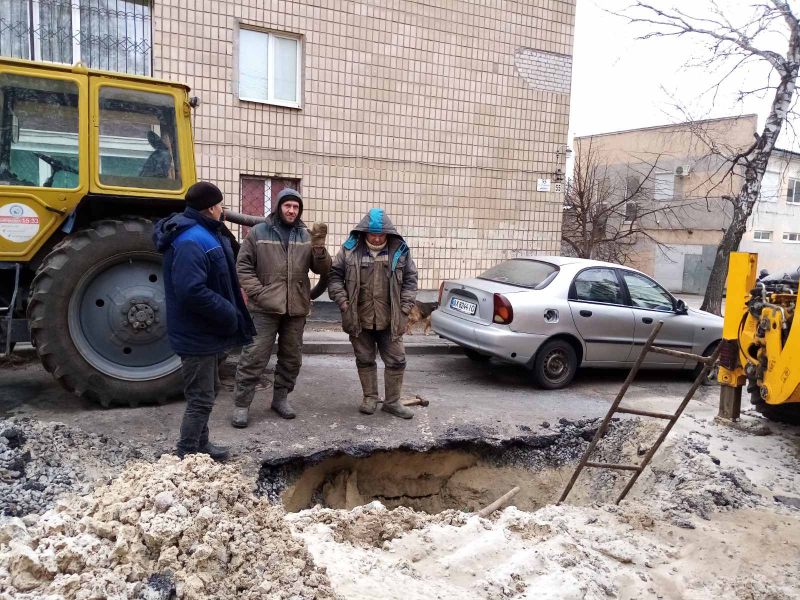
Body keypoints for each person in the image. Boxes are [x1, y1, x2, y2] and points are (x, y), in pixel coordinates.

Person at [153, 181, 256, 460]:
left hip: (204, 332)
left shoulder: (201, 232)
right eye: (220, 204)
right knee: (200, 399)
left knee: (209, 392)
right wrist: (228, 312)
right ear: (211, 207)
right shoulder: (191, 240)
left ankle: (201, 445)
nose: (223, 209)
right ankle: (185, 456)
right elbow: (191, 291)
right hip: (196, 333)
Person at [231, 188, 331, 426]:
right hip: (264, 308)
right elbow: (243, 266)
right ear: (278, 207)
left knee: (291, 358)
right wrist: (258, 292)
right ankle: (241, 405)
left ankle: (280, 399)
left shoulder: (306, 235)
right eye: (287, 206)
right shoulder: (258, 232)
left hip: (295, 309)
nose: (291, 210)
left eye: (296, 207)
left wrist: (318, 248)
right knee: (254, 357)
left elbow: (322, 269)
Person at [327, 208, 418, 419]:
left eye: (381, 234)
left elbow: (411, 281)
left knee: (396, 360)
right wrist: (342, 302)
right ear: (364, 232)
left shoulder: (400, 251)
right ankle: (370, 397)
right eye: (372, 234)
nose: (377, 238)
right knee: (365, 359)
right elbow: (334, 277)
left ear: (388, 233)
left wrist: (405, 309)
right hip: (359, 317)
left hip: (391, 318)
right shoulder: (349, 250)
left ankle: (393, 402)